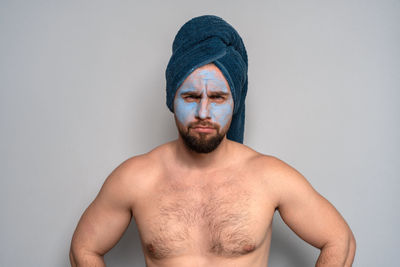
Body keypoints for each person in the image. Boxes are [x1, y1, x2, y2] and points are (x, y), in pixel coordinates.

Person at [69, 15, 356, 267]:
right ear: (172, 100)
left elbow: (339, 241)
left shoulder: (268, 177)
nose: (203, 112)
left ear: (234, 103)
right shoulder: (136, 178)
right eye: (191, 97)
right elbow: (83, 249)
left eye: (217, 97)